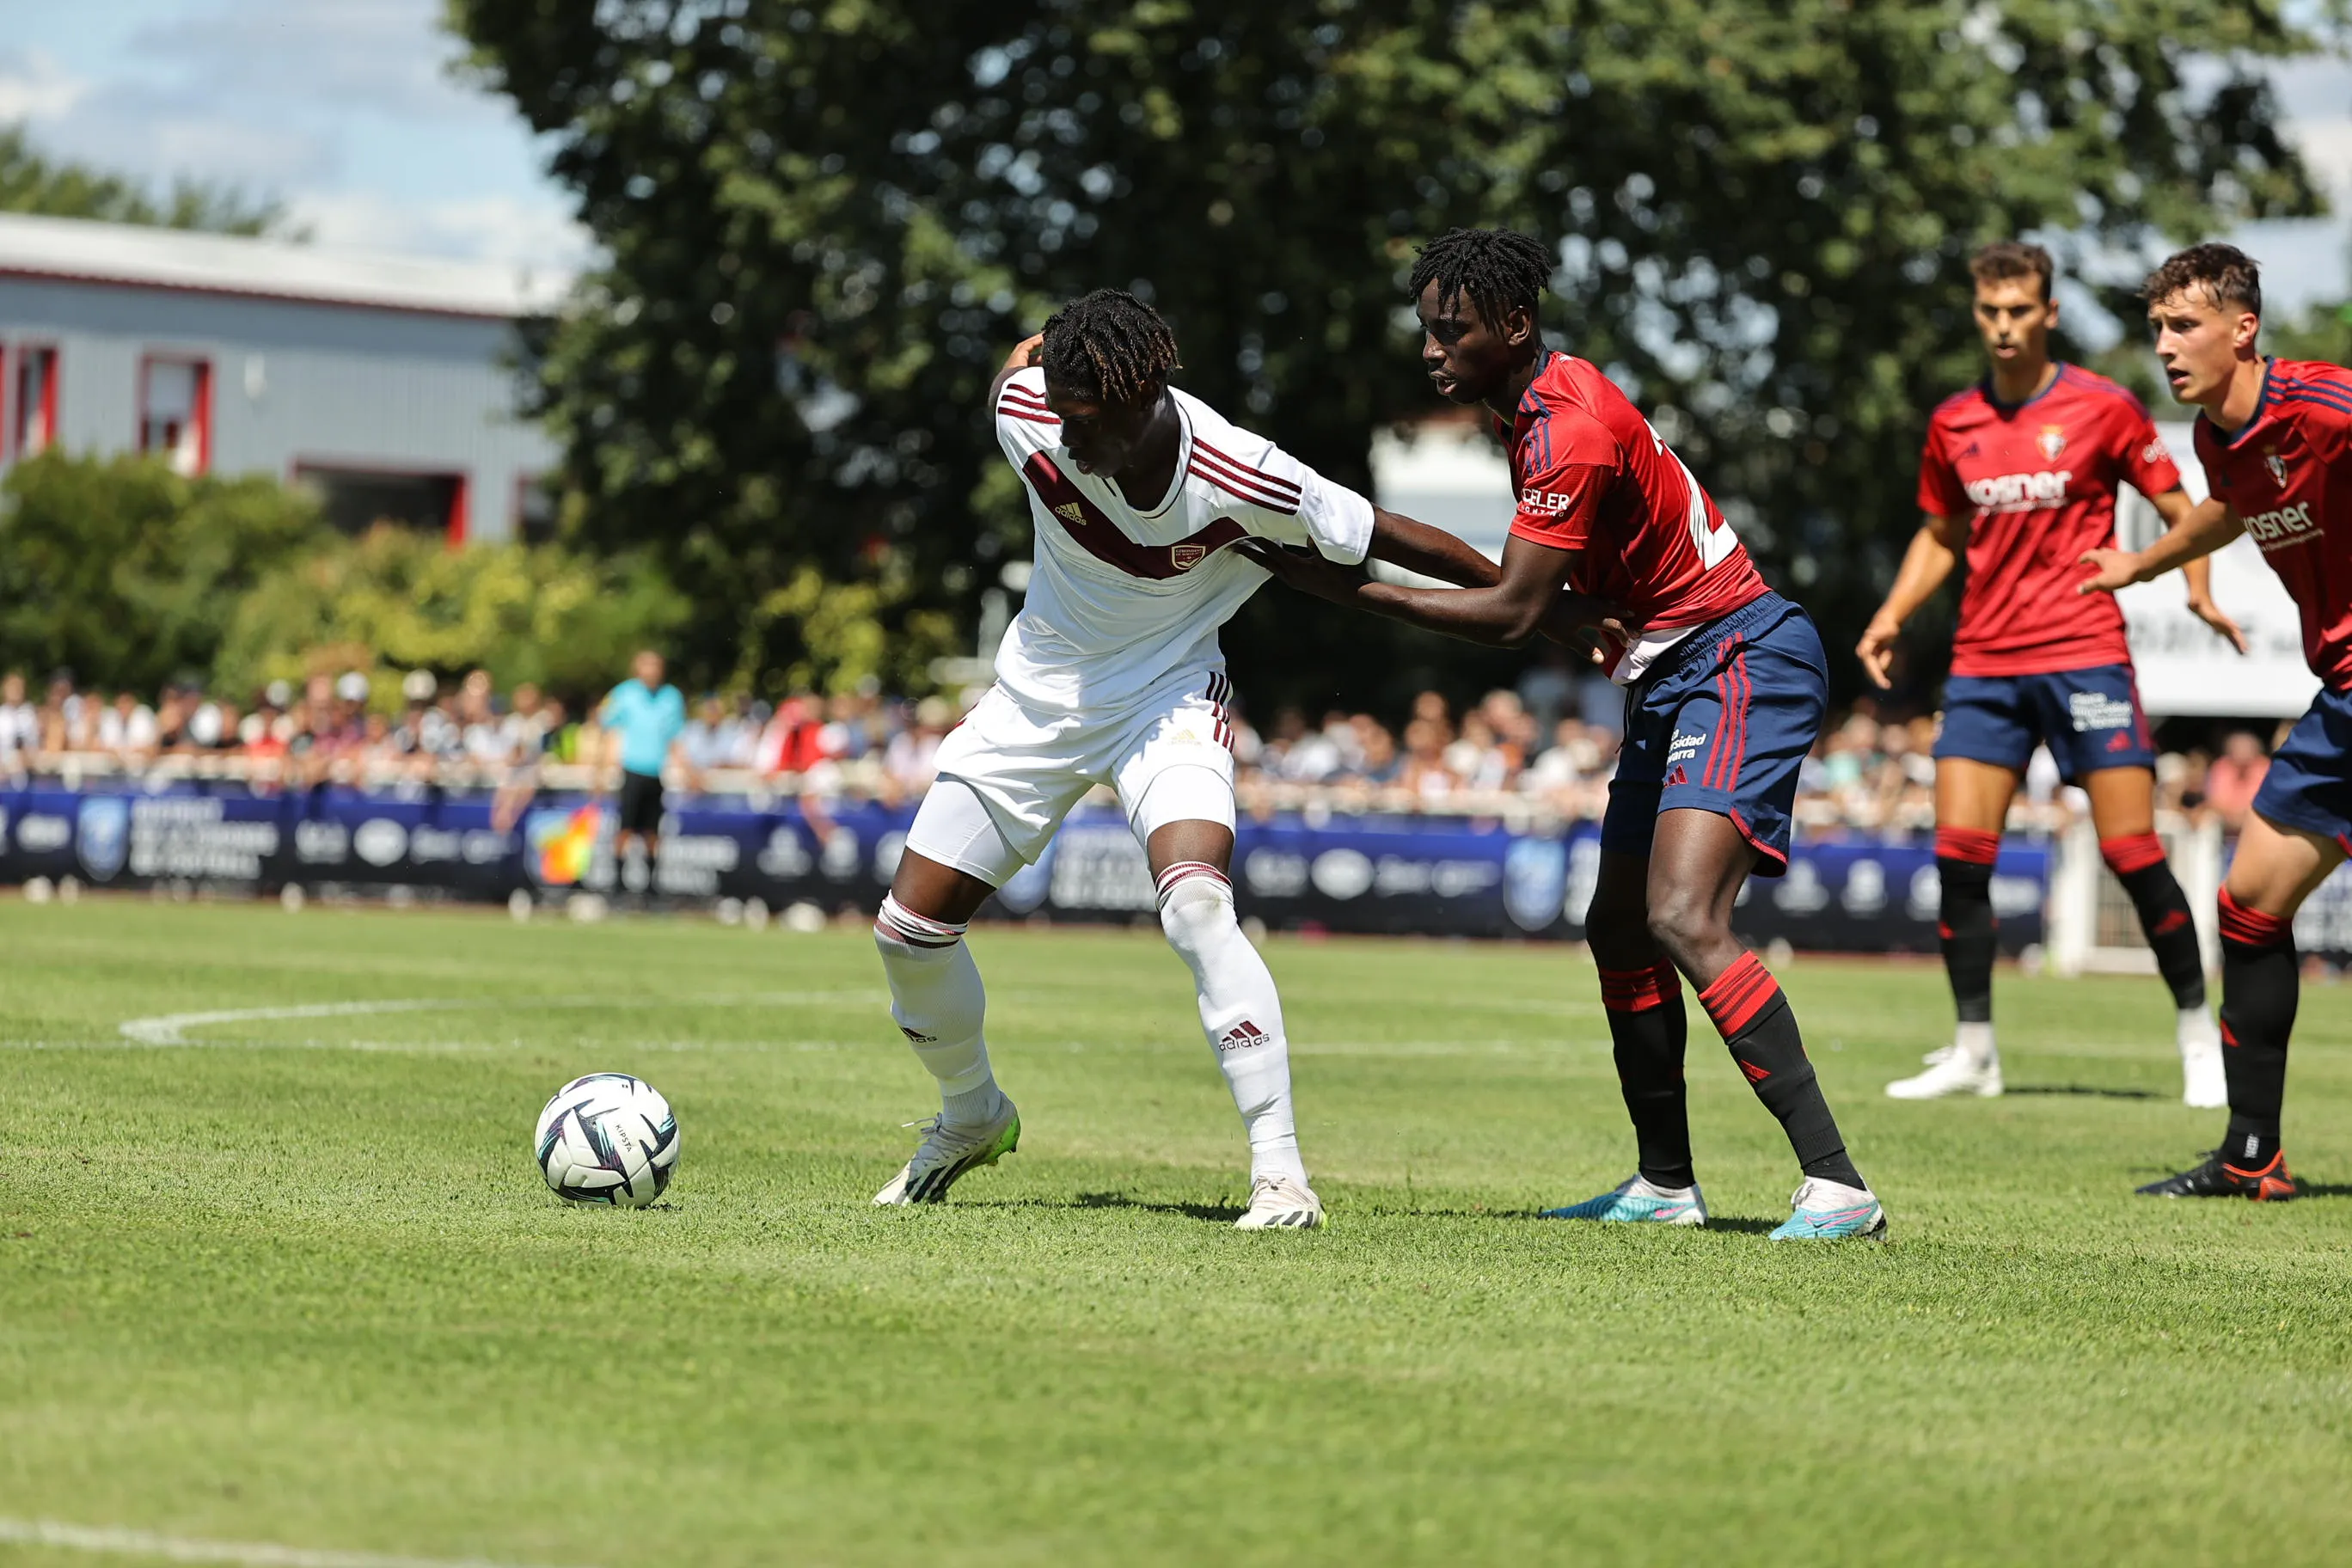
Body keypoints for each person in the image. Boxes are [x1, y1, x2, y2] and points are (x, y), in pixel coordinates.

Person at [1246, 226, 1886, 1240]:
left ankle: (1839, 1185)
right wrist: (1566, 610)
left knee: (1681, 916)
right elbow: (1519, 581)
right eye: (1426, 331)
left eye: (1451, 333)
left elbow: (1506, 614)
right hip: (1679, 669)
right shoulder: (1531, 409)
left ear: (1515, 323)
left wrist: (1352, 591)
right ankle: (1666, 1187)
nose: (1430, 351)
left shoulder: (1568, 425)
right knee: (1620, 928)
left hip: (1742, 657)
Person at [872, 287, 1501, 1229]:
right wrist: (1054, 345)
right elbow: (1020, 359)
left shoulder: (1246, 474)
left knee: (1198, 903)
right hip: (1035, 698)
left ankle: (1281, 1174)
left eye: (1086, 422)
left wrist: (1543, 608)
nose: (1067, 443)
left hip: (1166, 699)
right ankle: (972, 1116)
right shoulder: (1027, 410)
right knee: (906, 933)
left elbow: (1394, 538)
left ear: (1144, 395)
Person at [1856, 241, 2241, 1106]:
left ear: (2049, 313)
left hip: (2085, 656)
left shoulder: (2103, 408)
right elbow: (1940, 534)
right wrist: (1890, 615)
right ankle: (1974, 1050)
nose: (2003, 326)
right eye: (1989, 311)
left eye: (2019, 310)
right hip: (1985, 664)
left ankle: (2197, 1037)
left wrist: (2199, 591)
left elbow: (2187, 513)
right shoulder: (1953, 422)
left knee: (2133, 851)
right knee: (1960, 856)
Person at [2079, 242, 2352, 1200]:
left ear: (2245, 329)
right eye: (2156, 328)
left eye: (2184, 325)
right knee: (2248, 904)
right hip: (2343, 703)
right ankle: (2253, 1158)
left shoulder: (2324, 404)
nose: (2165, 345)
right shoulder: (2217, 439)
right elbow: (2226, 510)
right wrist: (2141, 566)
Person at [596, 650, 688, 870]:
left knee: (652, 831)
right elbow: (609, 730)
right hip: (631, 769)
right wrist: (603, 768)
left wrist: (688, 770)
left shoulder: (671, 697)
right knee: (625, 828)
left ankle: (651, 888)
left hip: (656, 772)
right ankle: (618, 883)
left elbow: (675, 738)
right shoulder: (624, 694)